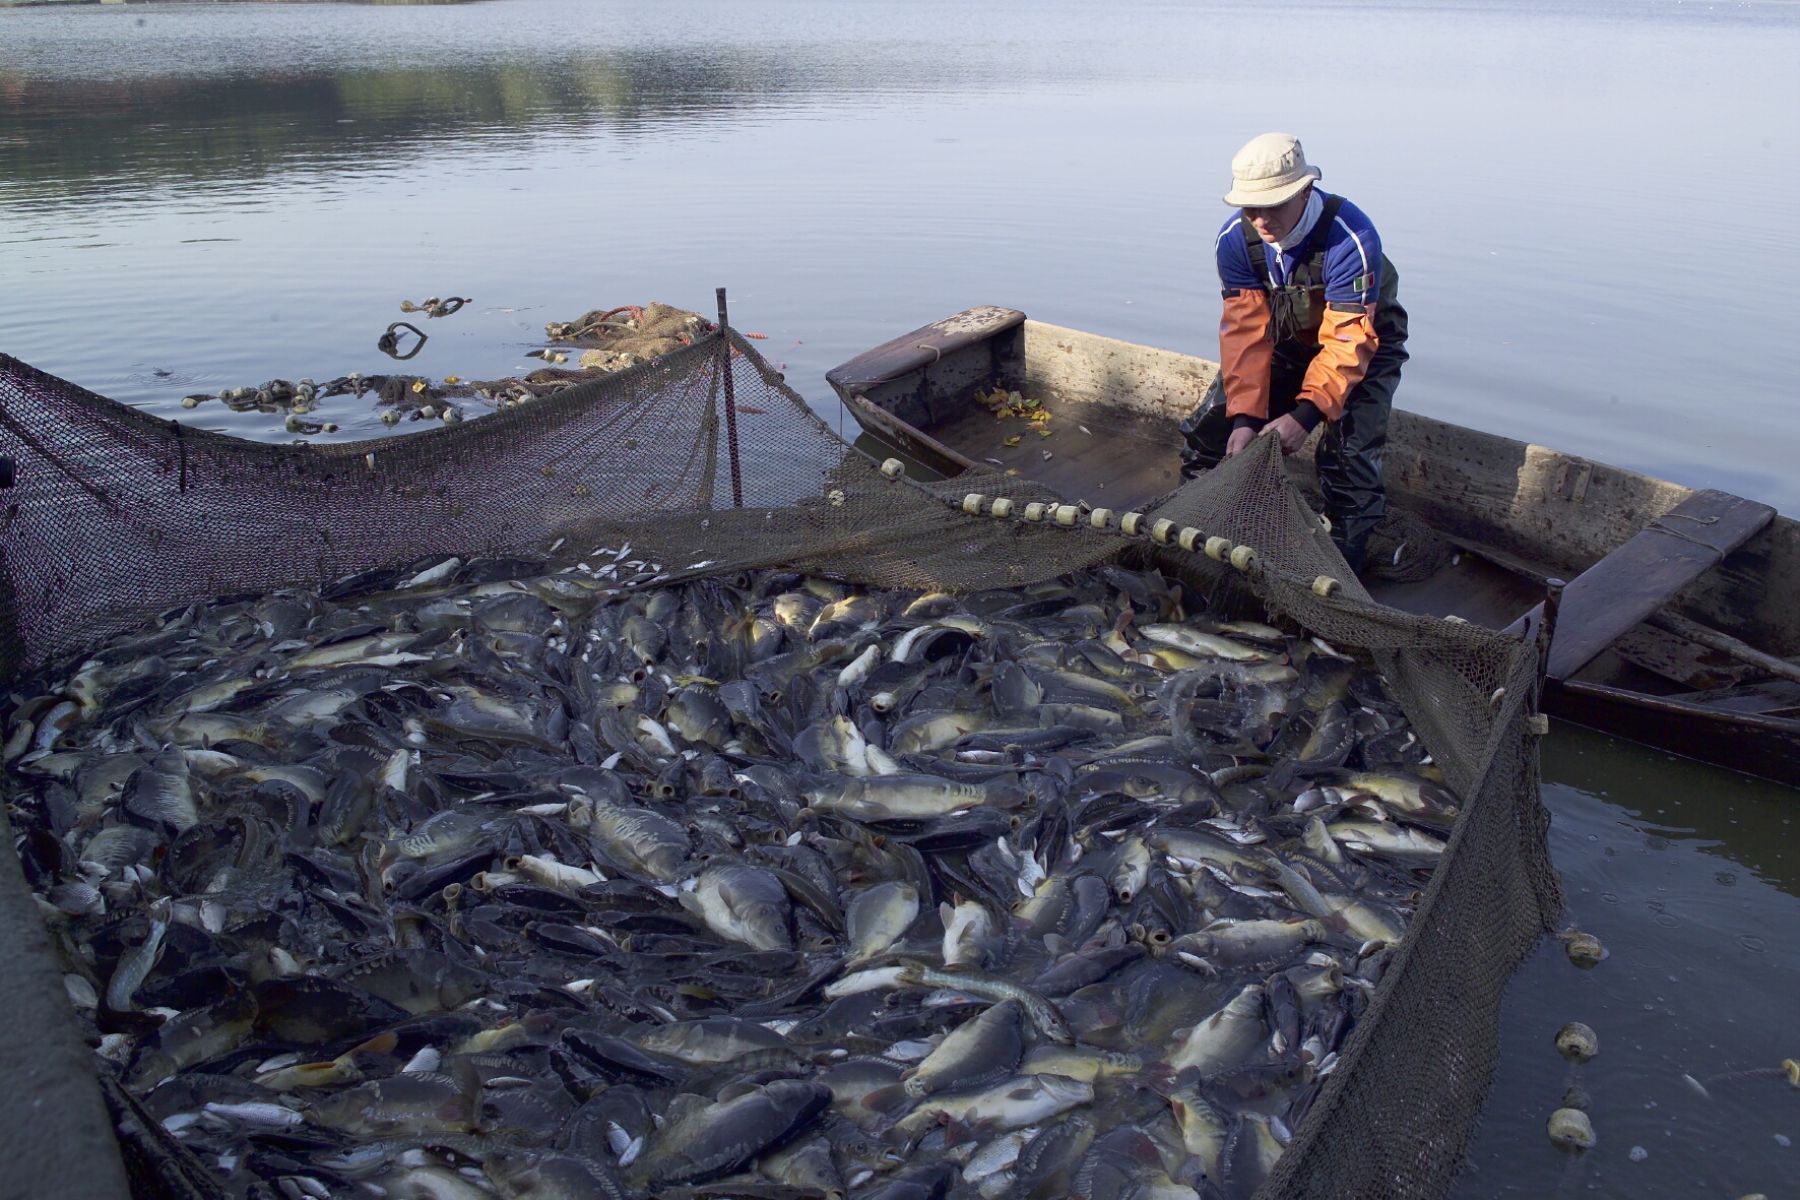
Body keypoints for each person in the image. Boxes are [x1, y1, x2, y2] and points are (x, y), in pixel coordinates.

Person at [1180, 132, 1408, 574]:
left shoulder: (1351, 240)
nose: (1261, 220)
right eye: (1251, 207)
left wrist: (1305, 417)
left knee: (1347, 460)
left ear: (1305, 191)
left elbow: (1347, 344)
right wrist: (1246, 419)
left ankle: (1340, 575)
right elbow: (1245, 335)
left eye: (1273, 205)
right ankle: (1198, 531)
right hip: (1285, 341)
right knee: (1209, 429)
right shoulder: (1234, 242)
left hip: (1363, 348)